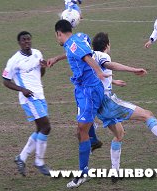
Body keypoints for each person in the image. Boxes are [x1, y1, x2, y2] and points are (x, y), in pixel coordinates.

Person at [93, 32, 157, 184]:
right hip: (108, 102)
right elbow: (109, 65)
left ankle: (115, 172)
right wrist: (133, 70)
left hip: (98, 105)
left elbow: (97, 75)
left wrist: (113, 82)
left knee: (119, 134)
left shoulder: (91, 57)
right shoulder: (103, 56)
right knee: (147, 114)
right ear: (107, 45)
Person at [48, 20, 110, 188]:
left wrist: (98, 72)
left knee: (81, 130)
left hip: (89, 91)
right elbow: (81, 48)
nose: (57, 39)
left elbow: (87, 56)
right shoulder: (79, 38)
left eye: (56, 36)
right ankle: (94, 140)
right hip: (83, 90)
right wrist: (56, 58)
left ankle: (83, 173)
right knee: (83, 127)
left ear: (59, 33)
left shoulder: (73, 44)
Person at [2, 31, 51, 176]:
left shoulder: (37, 53)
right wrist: (22, 89)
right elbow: (5, 81)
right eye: (24, 40)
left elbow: (40, 75)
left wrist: (42, 67)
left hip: (40, 95)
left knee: (39, 129)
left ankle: (21, 158)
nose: (27, 42)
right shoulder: (14, 60)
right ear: (19, 43)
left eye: (28, 39)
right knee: (46, 127)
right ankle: (39, 162)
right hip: (29, 98)